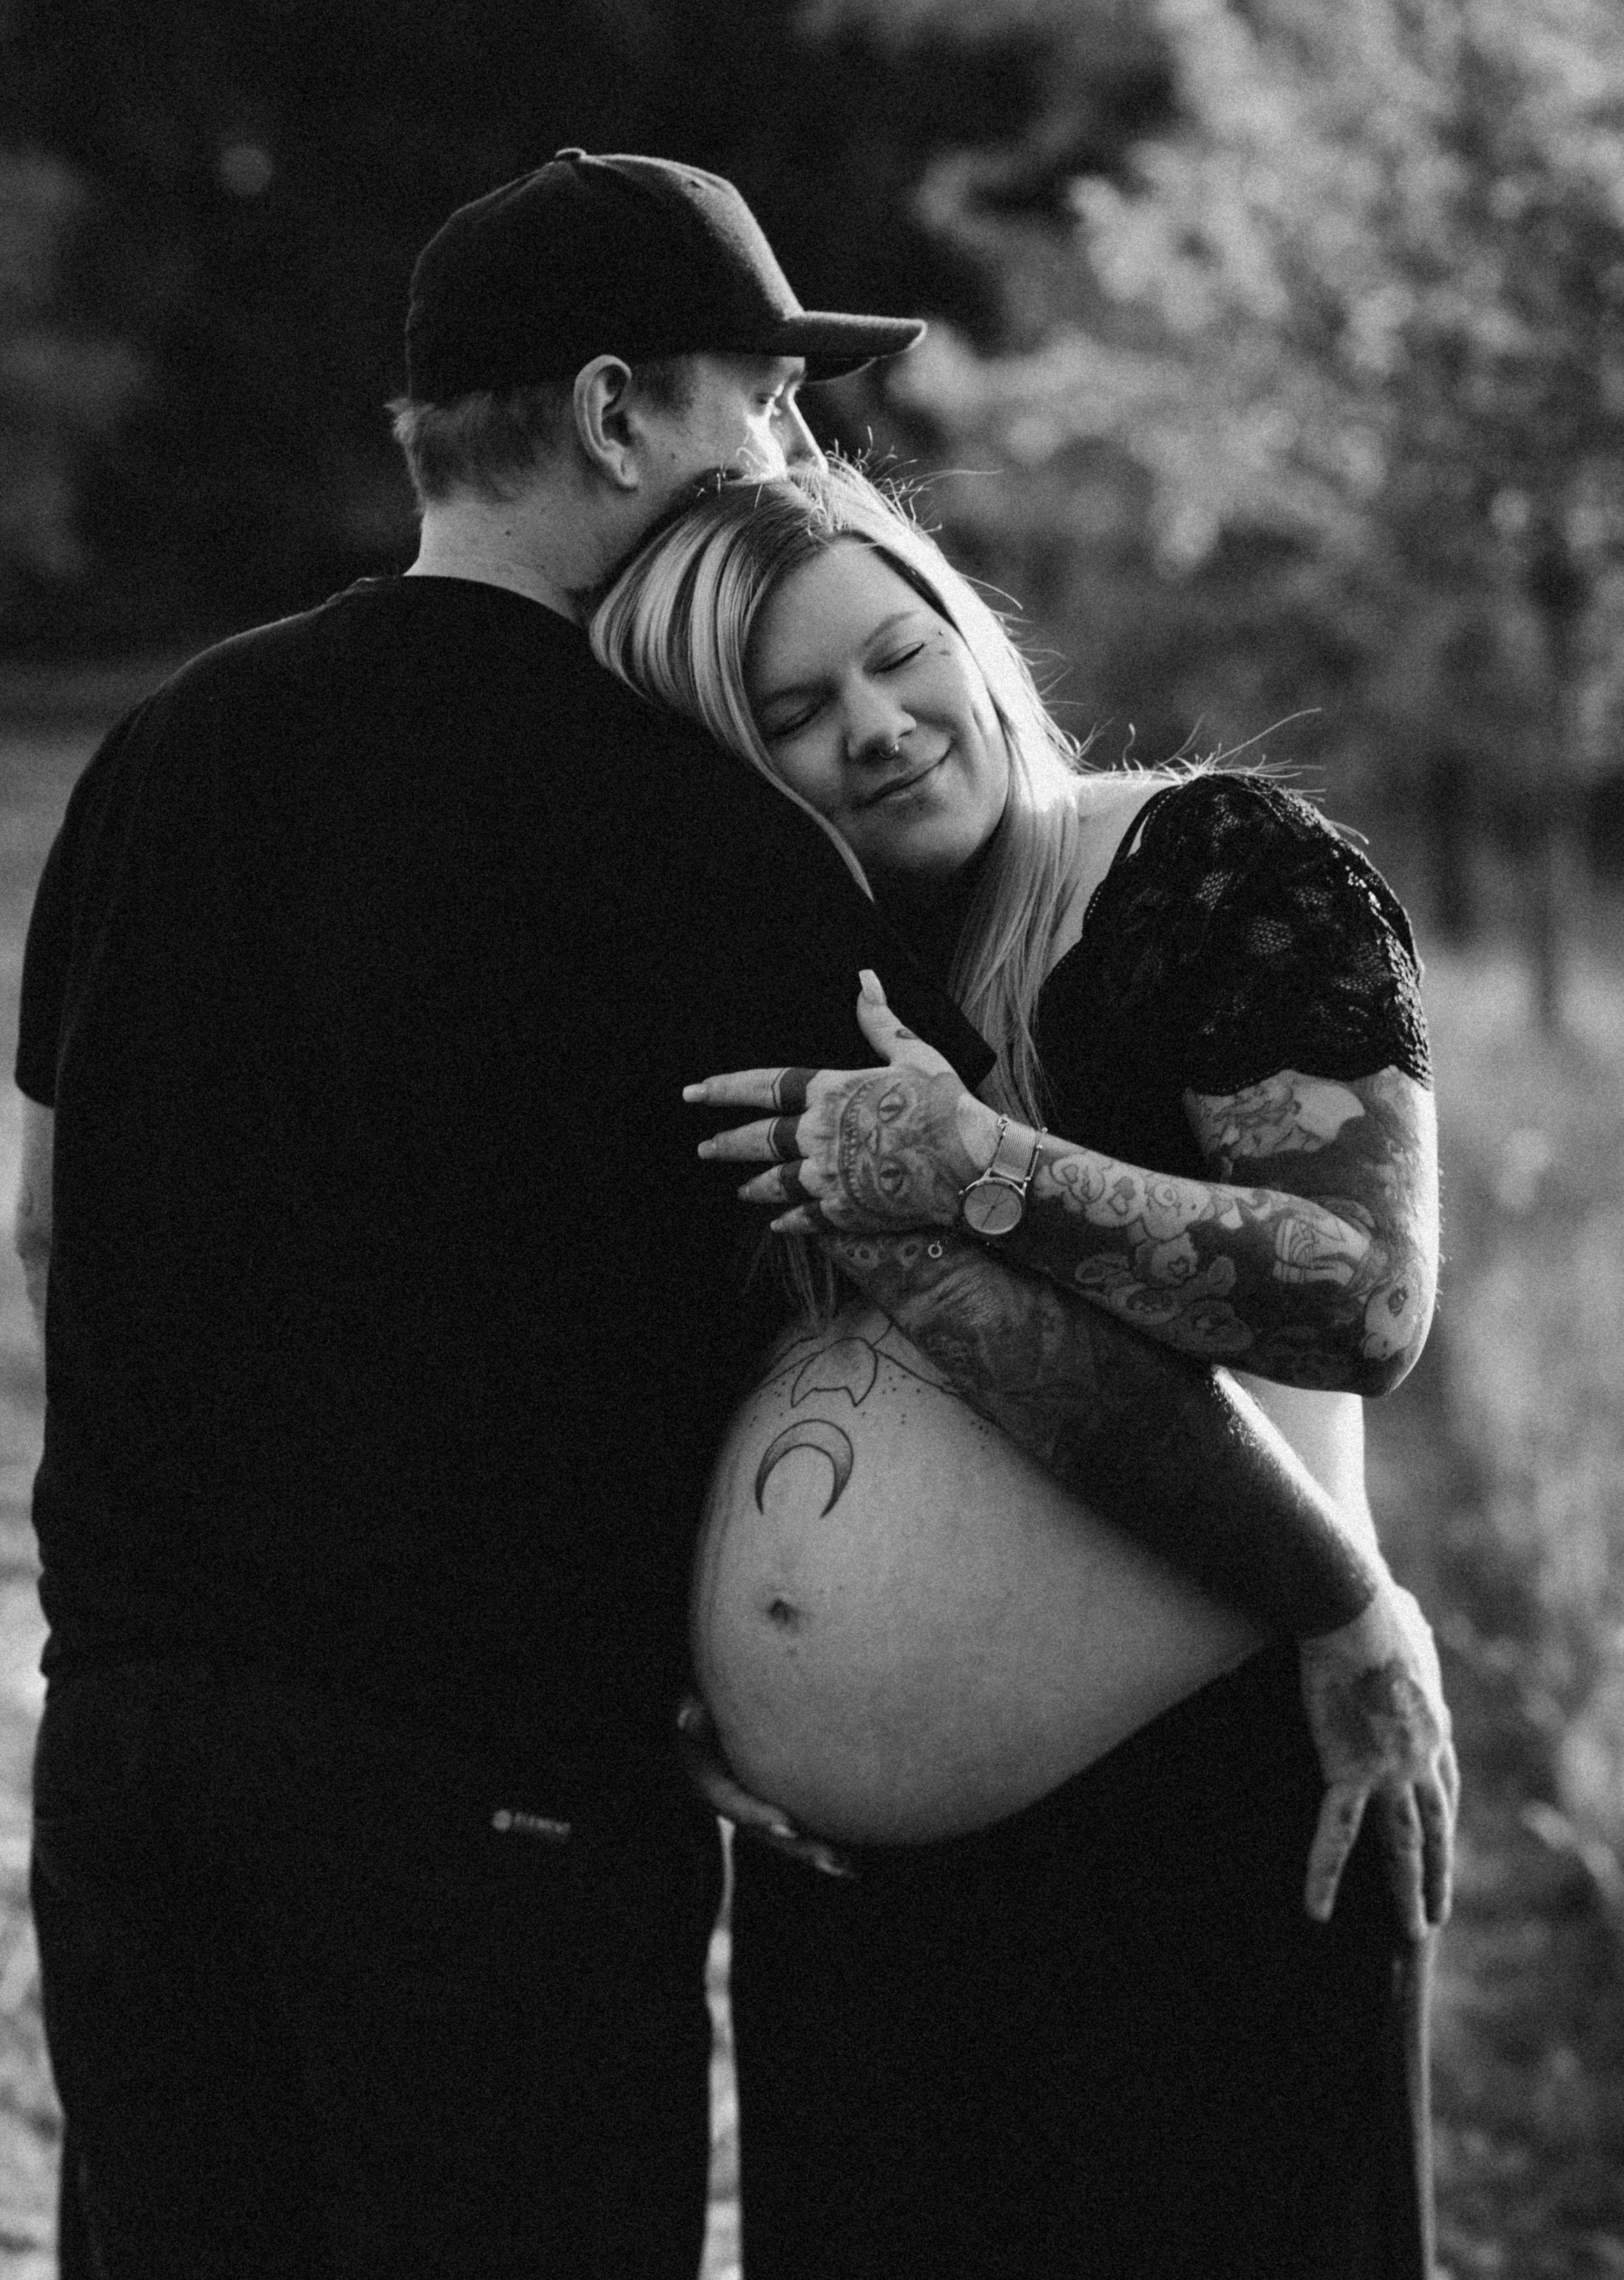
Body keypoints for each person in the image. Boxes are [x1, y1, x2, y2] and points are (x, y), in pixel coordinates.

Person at [15, 155, 1439, 2279]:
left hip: (123, 1762)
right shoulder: (683, 828)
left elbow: (50, 1220)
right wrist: (1337, 1594)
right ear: (613, 418)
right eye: (761, 403)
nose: (789, 451)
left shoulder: (164, 747)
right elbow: (942, 1298)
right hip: (486, 1804)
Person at [591, 454, 1456, 2280]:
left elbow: (1365, 1296)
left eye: (901, 653)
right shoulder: (770, 966)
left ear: (967, 626)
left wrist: (980, 1163)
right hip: (870, 1897)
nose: (884, 728)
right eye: (797, 714)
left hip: (1215, 1811)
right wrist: (691, 1667)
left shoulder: (1203, 876)